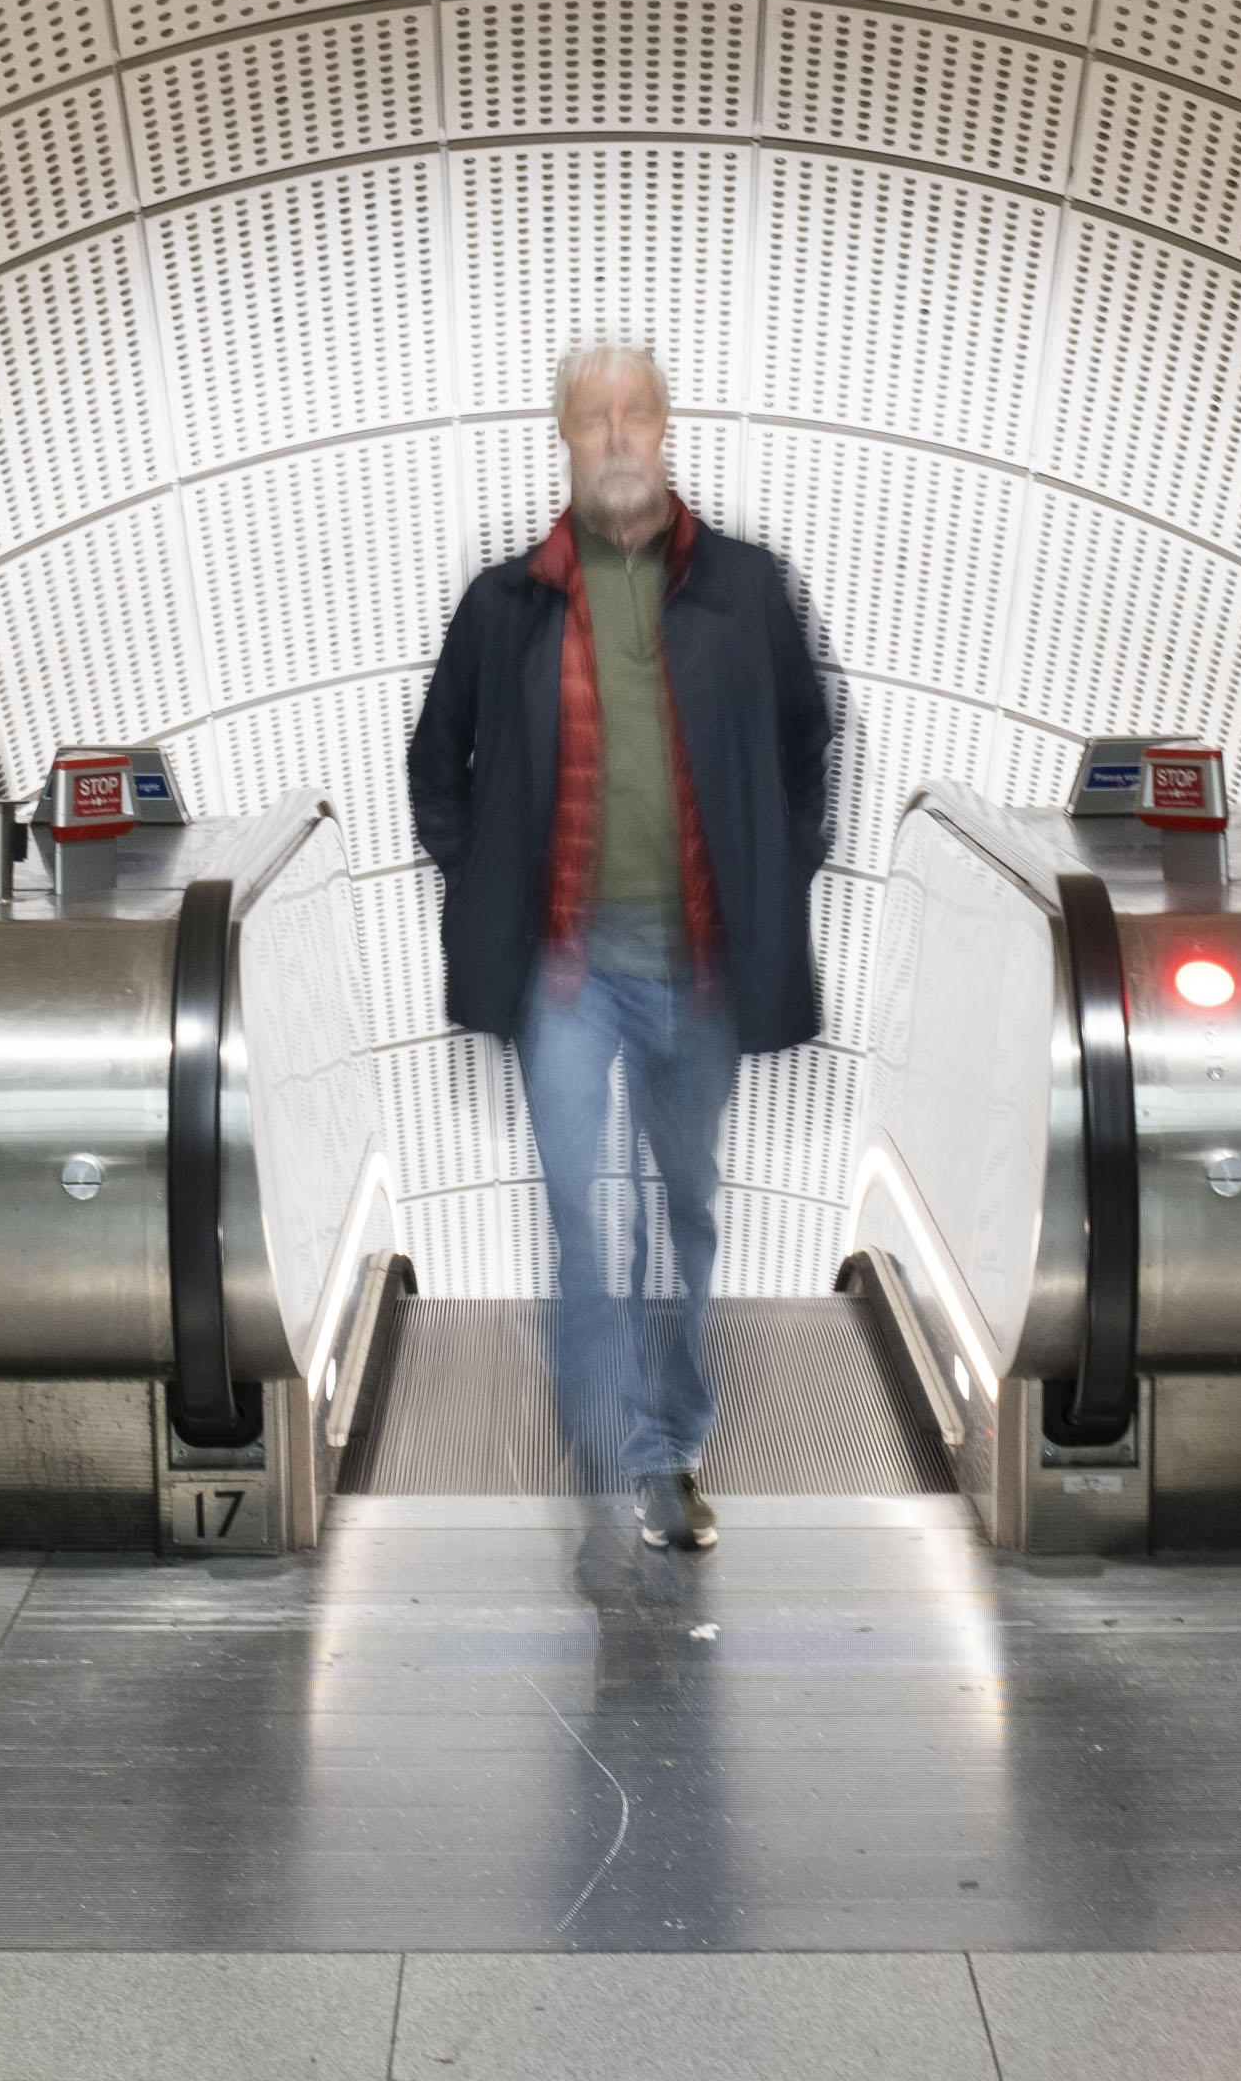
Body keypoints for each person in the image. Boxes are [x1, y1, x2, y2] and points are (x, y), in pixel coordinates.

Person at [406, 342, 838, 1567]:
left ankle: (672, 1427)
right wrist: (482, 879)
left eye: (632, 412)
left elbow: (810, 744)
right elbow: (438, 767)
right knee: (582, 1217)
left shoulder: (745, 588)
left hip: (699, 964)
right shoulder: (508, 604)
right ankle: (637, 1457)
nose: (614, 434)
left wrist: (778, 873)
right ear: (563, 436)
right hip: (568, 973)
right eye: (590, 416)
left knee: (686, 1210)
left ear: (664, 426)